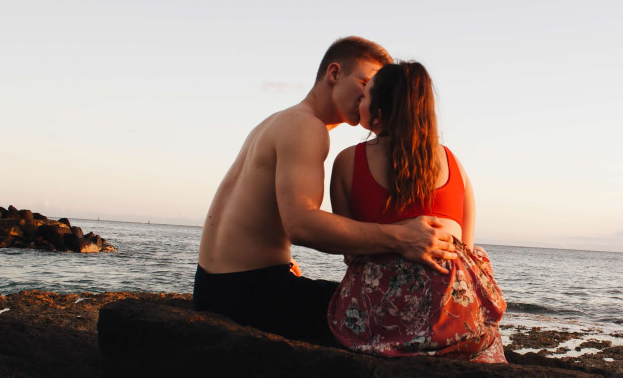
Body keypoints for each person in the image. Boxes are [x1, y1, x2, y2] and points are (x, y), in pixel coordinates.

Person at [194, 37, 457, 344]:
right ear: (334, 74)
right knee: (391, 316)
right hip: (248, 295)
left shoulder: (280, 120)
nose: (371, 92)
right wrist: (403, 237)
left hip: (215, 285)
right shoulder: (308, 127)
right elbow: (301, 225)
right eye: (365, 81)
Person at [327, 61, 507, 363]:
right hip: (453, 323)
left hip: (376, 323)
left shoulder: (347, 162)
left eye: (366, 96)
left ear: (379, 114)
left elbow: (350, 251)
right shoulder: (455, 166)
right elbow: (467, 252)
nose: (361, 101)